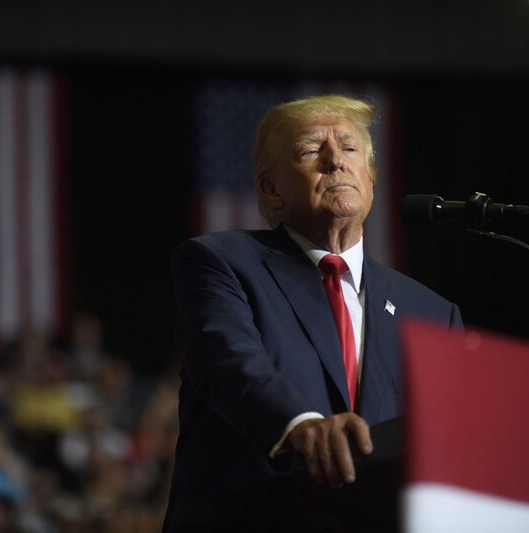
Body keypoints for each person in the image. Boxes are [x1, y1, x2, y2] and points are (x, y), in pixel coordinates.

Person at [162, 94, 463, 532]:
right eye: (310, 150)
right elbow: (228, 362)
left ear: (371, 177)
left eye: (350, 148)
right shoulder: (221, 262)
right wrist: (302, 425)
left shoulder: (434, 314)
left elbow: (446, 445)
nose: (335, 161)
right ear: (271, 188)